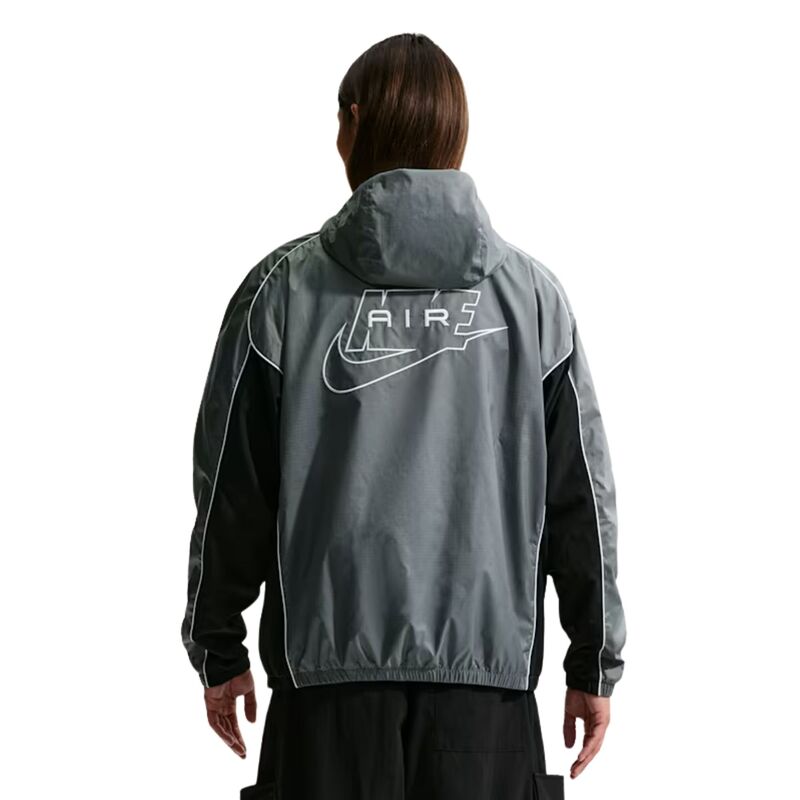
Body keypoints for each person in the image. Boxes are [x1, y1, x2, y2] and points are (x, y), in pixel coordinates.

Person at [180, 32, 627, 800]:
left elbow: (232, 488)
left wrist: (219, 647)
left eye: (338, 119)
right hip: (487, 705)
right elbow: (581, 499)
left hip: (326, 703)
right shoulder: (534, 301)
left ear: (356, 120)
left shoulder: (281, 293)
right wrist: (593, 661)